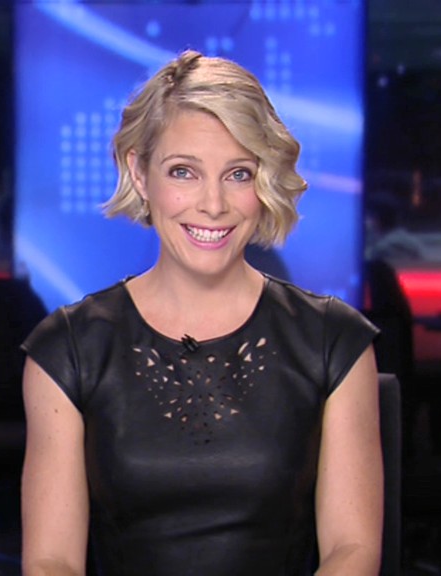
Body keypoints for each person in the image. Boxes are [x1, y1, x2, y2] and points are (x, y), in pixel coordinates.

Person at [21, 50, 382, 576]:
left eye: (238, 174)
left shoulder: (333, 342)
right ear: (139, 173)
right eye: (183, 172)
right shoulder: (68, 351)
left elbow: (352, 550)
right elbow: (52, 562)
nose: (213, 204)